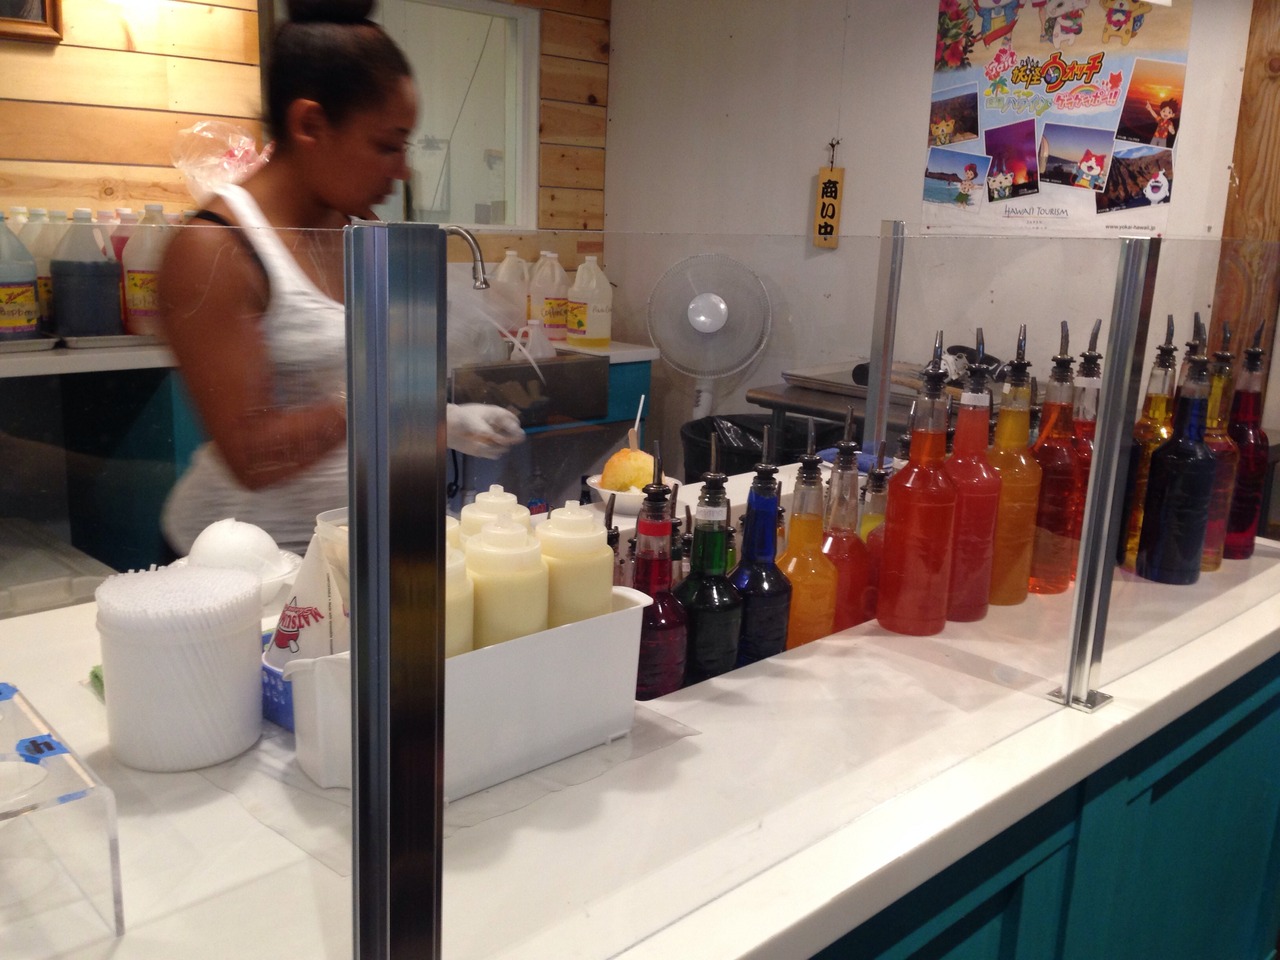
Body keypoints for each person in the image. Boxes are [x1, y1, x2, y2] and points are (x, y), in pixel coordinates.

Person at [159, 0, 523, 555]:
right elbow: (253, 458)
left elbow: (351, 401)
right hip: (245, 567)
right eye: (386, 144)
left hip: (347, 554)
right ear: (310, 124)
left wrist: (444, 421)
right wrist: (376, 397)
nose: (402, 169)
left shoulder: (357, 232)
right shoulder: (216, 247)